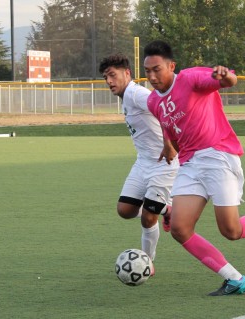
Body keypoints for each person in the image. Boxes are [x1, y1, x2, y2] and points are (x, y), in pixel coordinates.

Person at [143, 40, 245, 296]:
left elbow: (229, 81)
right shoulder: (152, 101)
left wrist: (226, 76)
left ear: (171, 66)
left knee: (231, 230)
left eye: (157, 69)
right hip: (190, 163)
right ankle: (235, 279)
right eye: (147, 71)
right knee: (180, 229)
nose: (151, 76)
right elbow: (167, 124)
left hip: (218, 155)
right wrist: (168, 144)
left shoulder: (190, 78)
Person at [99, 54, 179, 265]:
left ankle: (147, 263)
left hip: (164, 162)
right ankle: (166, 209)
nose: (109, 81)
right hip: (143, 162)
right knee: (125, 210)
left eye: (112, 75)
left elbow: (162, 107)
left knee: (148, 216)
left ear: (127, 73)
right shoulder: (126, 98)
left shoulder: (136, 94)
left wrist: (169, 144)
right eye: (105, 77)